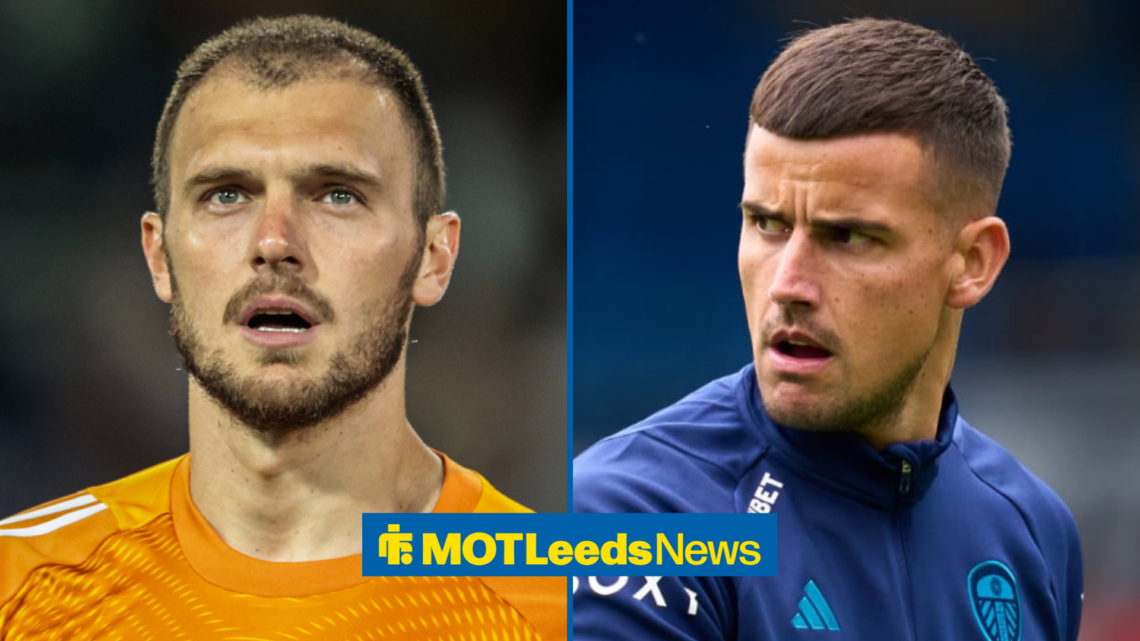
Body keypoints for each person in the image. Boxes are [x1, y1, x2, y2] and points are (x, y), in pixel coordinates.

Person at [0, 15, 563, 640]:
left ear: (434, 258)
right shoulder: (21, 585)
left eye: (337, 194)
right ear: (159, 258)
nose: (273, 242)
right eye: (226, 194)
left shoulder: (562, 611)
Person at [573, 18, 1081, 641]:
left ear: (973, 263)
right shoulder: (634, 520)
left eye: (847, 236)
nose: (788, 283)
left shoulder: (1032, 528)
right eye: (767, 224)